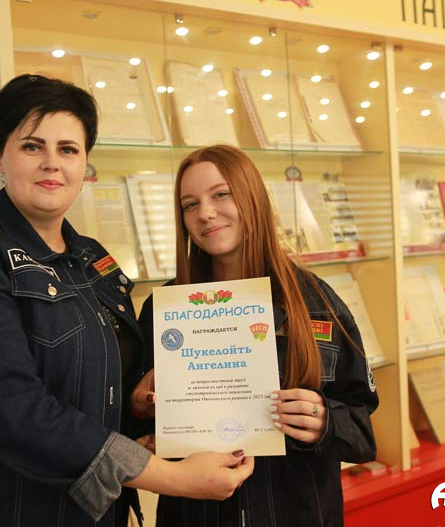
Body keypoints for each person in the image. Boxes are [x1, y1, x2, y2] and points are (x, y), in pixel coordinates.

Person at [0, 76, 254, 527]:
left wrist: (138, 404)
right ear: (0, 157)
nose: (52, 163)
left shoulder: (93, 259)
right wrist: (172, 477)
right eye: (32, 146)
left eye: (68, 149)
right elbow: (14, 411)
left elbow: (98, 387)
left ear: (85, 164)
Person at [134, 145, 379, 526]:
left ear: (252, 197)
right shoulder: (164, 311)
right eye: (190, 204)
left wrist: (324, 420)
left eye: (221, 194)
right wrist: (139, 407)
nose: (205, 213)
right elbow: (134, 433)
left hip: (297, 514)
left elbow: (363, 432)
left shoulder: (317, 304)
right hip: (195, 516)